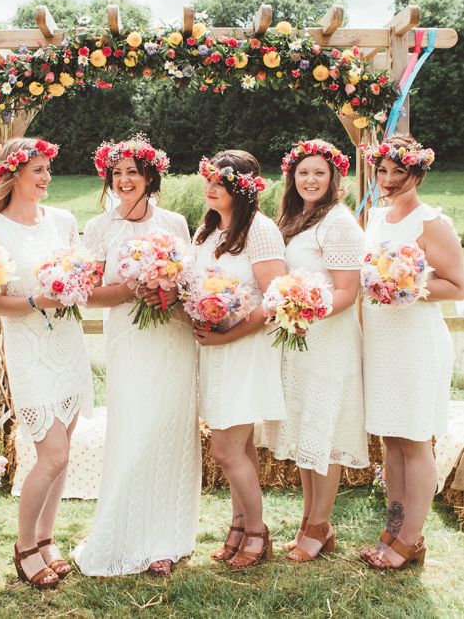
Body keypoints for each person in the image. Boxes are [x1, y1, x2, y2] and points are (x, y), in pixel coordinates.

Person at [74, 134, 201, 577]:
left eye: (133, 172)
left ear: (151, 176)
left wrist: (168, 289)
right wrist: (135, 286)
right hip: (128, 339)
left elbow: (189, 282)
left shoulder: (175, 223)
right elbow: (86, 294)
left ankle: (167, 539)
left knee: (169, 431)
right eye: (118, 173)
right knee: (134, 431)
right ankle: (123, 532)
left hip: (173, 339)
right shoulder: (99, 228)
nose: (124, 180)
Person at [0, 137, 94, 589]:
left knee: (62, 454)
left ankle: (47, 539)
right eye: (38, 171)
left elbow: (82, 270)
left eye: (49, 169)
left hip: (68, 344)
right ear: (13, 175)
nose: (47, 178)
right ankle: (24, 546)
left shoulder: (64, 221)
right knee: (51, 454)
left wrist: (75, 284)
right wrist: (35, 298)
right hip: (28, 349)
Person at [360, 134, 464, 570]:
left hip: (416, 341)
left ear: (417, 173)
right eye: (381, 171)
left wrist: (407, 286)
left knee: (415, 439)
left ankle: (412, 539)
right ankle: (393, 529)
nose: (386, 180)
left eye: (397, 172)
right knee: (391, 437)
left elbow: (457, 284)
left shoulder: (432, 222)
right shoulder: (377, 218)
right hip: (382, 341)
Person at [263, 139, 368, 562]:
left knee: (323, 430)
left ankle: (321, 525)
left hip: (327, 341)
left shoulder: (339, 223)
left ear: (333, 178)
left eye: (319, 173)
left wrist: (308, 312)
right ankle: (311, 523)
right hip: (298, 340)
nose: (310, 179)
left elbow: (347, 290)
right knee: (307, 429)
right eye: (303, 172)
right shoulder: (296, 218)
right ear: (293, 177)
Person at [192, 151, 286, 569]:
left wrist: (228, 332)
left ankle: (258, 532)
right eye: (208, 180)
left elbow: (274, 298)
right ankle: (237, 524)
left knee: (226, 450)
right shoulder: (209, 231)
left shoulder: (260, 231)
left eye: (220, 182)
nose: (210, 188)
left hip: (245, 347)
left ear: (242, 188)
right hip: (215, 347)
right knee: (240, 446)